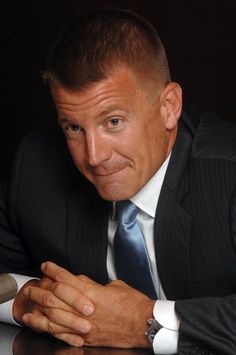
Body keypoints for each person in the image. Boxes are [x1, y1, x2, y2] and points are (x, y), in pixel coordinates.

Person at [0, 7, 236, 355]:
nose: (93, 156)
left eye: (113, 122)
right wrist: (24, 301)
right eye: (74, 128)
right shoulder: (36, 166)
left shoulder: (227, 174)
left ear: (169, 106)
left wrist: (145, 322)